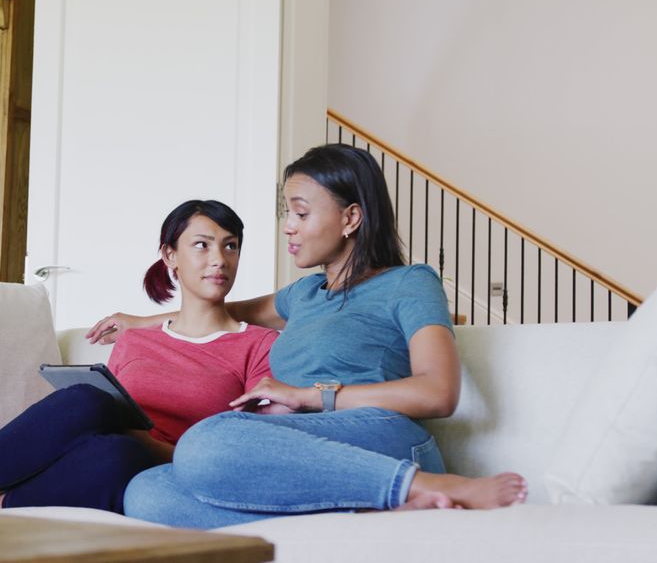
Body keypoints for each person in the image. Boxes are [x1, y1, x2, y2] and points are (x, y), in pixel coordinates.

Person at [86, 144, 527, 528]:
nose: (287, 227)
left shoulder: (409, 283)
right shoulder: (304, 293)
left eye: (300, 212)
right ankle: (367, 517)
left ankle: (423, 483)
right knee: (146, 491)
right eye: (287, 214)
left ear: (351, 217)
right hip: (305, 447)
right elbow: (217, 309)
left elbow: (439, 392)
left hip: (383, 437)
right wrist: (142, 323)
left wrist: (311, 396)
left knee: (206, 441)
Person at [0, 200, 278, 514]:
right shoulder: (136, 341)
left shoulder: (258, 345)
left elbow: (240, 449)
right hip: (104, 449)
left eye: (231, 245)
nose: (220, 259)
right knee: (84, 400)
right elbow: (107, 417)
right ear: (170, 255)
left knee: (117, 453)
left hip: (166, 465)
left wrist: (143, 443)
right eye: (202, 244)